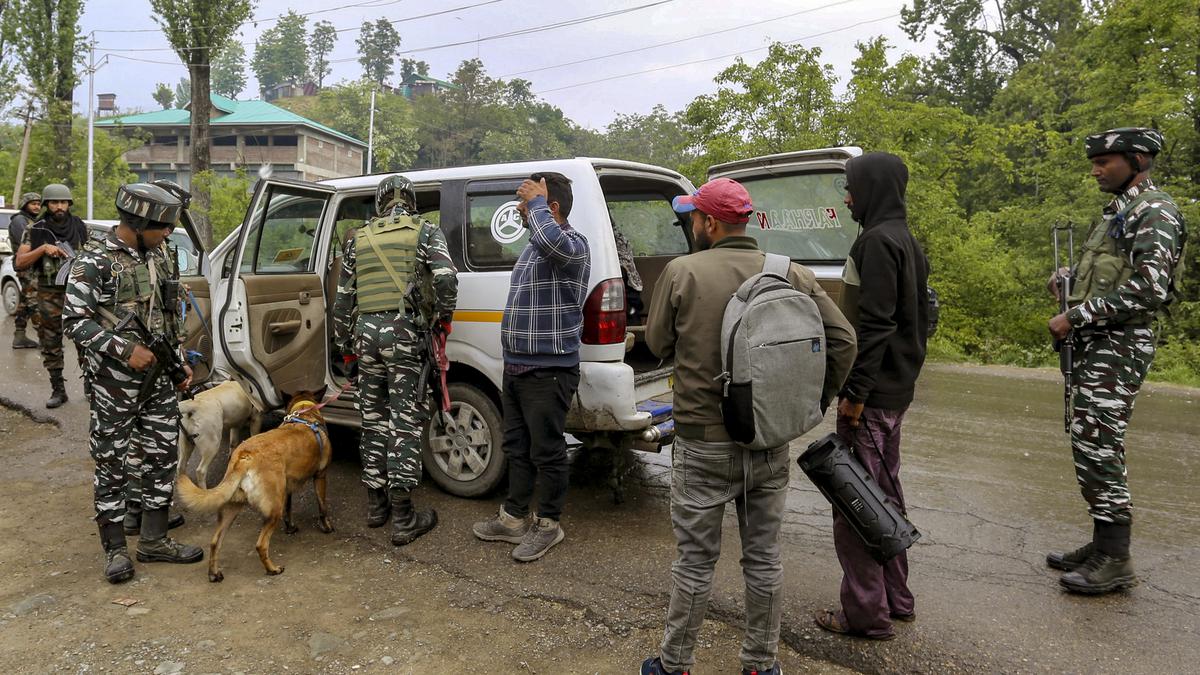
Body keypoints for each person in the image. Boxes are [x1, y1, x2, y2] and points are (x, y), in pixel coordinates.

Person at [641, 177, 856, 675]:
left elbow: (656, 344)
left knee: (695, 561)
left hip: (701, 444)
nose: (692, 223)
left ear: (710, 223)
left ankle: (674, 665)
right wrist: (808, 404)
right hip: (768, 439)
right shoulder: (790, 272)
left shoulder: (681, 272)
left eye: (694, 216)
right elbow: (843, 340)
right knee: (763, 559)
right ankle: (761, 664)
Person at [1046, 128, 1186, 594]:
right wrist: (1071, 281)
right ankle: (1101, 542)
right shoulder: (1118, 212)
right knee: (1089, 441)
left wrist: (1076, 314)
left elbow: (1151, 288)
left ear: (1138, 159)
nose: (1095, 169)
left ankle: (1116, 558)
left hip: (1121, 343)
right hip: (1100, 340)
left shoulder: (1155, 211)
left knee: (1099, 441)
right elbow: (1111, 272)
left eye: (1106, 161)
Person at [813, 152, 930, 641]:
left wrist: (854, 396)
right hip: (893, 389)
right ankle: (896, 598)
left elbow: (877, 326)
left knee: (857, 502)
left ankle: (865, 613)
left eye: (851, 188)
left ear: (873, 190)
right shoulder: (906, 240)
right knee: (884, 495)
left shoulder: (876, 243)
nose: (847, 197)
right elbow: (921, 318)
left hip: (874, 396)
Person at [63, 183, 204, 584]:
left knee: (162, 455)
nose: (167, 234)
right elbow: (74, 321)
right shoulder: (94, 260)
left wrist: (178, 362)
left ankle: (155, 541)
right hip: (115, 383)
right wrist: (125, 350)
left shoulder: (159, 254)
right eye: (163, 227)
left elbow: (167, 314)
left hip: (159, 377)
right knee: (112, 463)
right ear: (139, 223)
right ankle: (114, 551)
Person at [333, 175, 458, 547]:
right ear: (412, 201)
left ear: (380, 202)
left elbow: (343, 300)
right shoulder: (425, 231)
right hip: (404, 334)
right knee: (403, 422)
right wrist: (441, 319)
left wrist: (346, 347)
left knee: (371, 418)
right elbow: (447, 279)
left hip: (365, 335)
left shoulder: (358, 239)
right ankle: (404, 517)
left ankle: (376, 505)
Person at [472, 173, 590, 562]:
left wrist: (537, 202)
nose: (521, 211)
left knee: (548, 451)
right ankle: (513, 519)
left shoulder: (574, 245)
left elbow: (553, 240)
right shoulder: (533, 248)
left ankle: (549, 525)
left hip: (549, 370)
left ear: (550, 207)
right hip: (518, 366)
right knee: (516, 446)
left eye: (528, 204)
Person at [14, 183, 87, 408]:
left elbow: (94, 254)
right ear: (46, 204)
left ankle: (91, 387)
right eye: (54, 202)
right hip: (48, 294)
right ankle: (58, 389)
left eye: (63, 202)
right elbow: (19, 263)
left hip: (77, 294)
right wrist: (43, 248)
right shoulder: (36, 229)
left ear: (69, 204)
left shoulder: (79, 227)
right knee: (51, 343)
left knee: (86, 342)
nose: (59, 207)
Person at [8, 191, 42, 349]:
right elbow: (29, 243)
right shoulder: (20, 220)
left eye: (38, 203)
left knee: (25, 300)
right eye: (33, 203)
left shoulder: (31, 220)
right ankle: (45, 339)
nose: (37, 206)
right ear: (25, 205)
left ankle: (19, 336)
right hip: (27, 266)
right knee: (34, 301)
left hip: (32, 265)